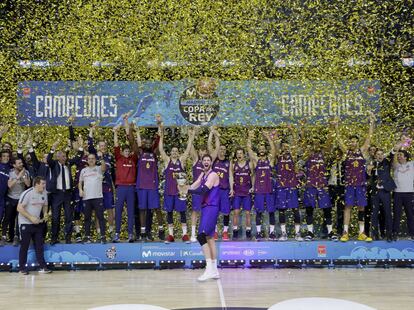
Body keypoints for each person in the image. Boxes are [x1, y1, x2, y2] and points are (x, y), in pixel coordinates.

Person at [178, 154, 220, 281]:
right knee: (209, 238)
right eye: (204, 160)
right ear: (202, 162)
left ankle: (208, 270)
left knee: (201, 236)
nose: (206, 162)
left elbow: (203, 191)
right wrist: (183, 188)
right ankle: (215, 270)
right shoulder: (203, 174)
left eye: (208, 160)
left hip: (212, 206)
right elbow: (195, 185)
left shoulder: (213, 175)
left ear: (211, 162)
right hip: (206, 207)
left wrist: (187, 191)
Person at [335, 112, 375, 242]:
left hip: (361, 184)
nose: (352, 143)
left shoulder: (362, 151)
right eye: (350, 141)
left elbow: (369, 137)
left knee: (361, 207)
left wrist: (371, 122)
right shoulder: (347, 152)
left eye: (354, 141)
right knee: (348, 207)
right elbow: (338, 140)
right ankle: (345, 232)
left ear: (357, 142)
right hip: (349, 185)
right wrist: (336, 126)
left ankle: (361, 232)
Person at [158, 122, 195, 243]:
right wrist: (161, 136)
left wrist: (190, 137)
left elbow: (188, 149)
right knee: (169, 213)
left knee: (182, 212)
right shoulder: (167, 160)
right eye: (172, 151)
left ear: (178, 152)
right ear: (170, 153)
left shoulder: (181, 161)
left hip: (180, 193)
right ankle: (171, 235)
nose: (174, 152)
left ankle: (185, 235)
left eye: (176, 151)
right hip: (169, 191)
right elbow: (160, 149)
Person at [47, 136, 84, 244]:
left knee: (69, 216)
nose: (64, 158)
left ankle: (68, 238)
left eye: (64, 156)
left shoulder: (68, 163)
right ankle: (54, 238)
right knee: (55, 217)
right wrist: (53, 148)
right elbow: (49, 159)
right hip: (57, 194)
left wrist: (81, 147)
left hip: (68, 194)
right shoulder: (54, 164)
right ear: (57, 157)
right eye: (62, 156)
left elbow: (78, 158)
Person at [17, 176, 52, 275]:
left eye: (45, 184)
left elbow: (45, 205)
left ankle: (43, 267)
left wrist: (45, 214)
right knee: (24, 246)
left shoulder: (44, 193)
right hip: (25, 223)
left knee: (39, 245)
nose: (44, 186)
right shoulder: (27, 193)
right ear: (36, 184)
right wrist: (31, 217)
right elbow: (19, 208)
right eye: (43, 184)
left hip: (37, 224)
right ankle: (22, 268)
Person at [247, 130, 276, 240]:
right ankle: (258, 233)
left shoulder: (270, 160)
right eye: (260, 148)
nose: (262, 149)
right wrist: (250, 137)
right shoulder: (256, 160)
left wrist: (268, 137)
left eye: (263, 148)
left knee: (271, 211)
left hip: (269, 189)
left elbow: (273, 150)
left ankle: (272, 233)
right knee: (259, 212)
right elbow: (249, 149)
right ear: (258, 150)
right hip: (259, 190)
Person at [88, 123, 116, 238]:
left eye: (104, 145)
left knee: (110, 209)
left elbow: (113, 173)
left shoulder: (110, 156)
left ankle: (110, 230)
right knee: (98, 211)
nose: (103, 147)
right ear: (98, 147)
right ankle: (99, 233)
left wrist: (115, 186)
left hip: (108, 186)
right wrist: (91, 130)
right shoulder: (94, 155)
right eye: (101, 146)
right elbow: (89, 144)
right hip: (96, 187)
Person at [113, 124, 137, 242]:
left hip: (131, 188)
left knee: (131, 212)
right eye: (125, 151)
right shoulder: (119, 158)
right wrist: (115, 132)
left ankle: (130, 234)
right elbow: (116, 145)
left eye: (128, 151)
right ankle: (116, 234)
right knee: (118, 211)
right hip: (121, 188)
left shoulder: (133, 159)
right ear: (122, 152)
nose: (127, 152)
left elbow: (134, 145)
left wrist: (132, 132)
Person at [367, 148, 395, 241]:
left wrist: (396, 147)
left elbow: (392, 154)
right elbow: (368, 177)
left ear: (383, 155)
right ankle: (375, 235)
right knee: (374, 214)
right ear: (375, 156)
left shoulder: (386, 162)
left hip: (385, 191)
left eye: (381, 154)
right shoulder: (372, 164)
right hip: (375, 192)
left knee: (387, 213)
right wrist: (368, 170)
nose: (380, 156)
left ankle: (389, 235)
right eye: (378, 154)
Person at [209, 127, 231, 241]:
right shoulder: (214, 160)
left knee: (226, 212)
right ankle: (216, 232)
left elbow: (231, 175)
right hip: (215, 190)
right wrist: (213, 134)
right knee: (215, 212)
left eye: (224, 149)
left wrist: (231, 188)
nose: (222, 151)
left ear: (225, 151)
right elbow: (210, 146)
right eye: (220, 149)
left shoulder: (228, 162)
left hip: (224, 190)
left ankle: (226, 232)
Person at [4, 158, 31, 246]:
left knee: (18, 219)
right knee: (8, 217)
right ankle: (4, 236)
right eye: (19, 163)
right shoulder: (10, 172)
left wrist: (23, 176)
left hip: (20, 199)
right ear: (14, 165)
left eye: (21, 163)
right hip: (10, 198)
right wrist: (18, 176)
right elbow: (10, 185)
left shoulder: (26, 172)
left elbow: (28, 184)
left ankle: (16, 236)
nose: (21, 164)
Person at [391, 141, 414, 240]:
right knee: (397, 215)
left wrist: (407, 141)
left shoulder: (412, 164)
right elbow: (393, 158)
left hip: (409, 193)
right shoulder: (396, 166)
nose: (399, 156)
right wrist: (397, 148)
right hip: (397, 194)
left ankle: (412, 234)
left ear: (406, 157)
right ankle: (394, 234)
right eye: (398, 155)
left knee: (410, 215)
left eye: (401, 155)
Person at [230, 147, 253, 240]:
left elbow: (253, 175)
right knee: (236, 212)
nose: (239, 155)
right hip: (237, 192)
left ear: (244, 154)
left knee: (248, 213)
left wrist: (253, 186)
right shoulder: (233, 165)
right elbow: (231, 176)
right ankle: (235, 231)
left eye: (241, 153)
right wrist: (231, 189)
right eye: (238, 153)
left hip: (246, 192)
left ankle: (248, 231)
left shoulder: (249, 164)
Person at [189, 144, 208, 242]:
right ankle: (193, 234)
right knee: (195, 212)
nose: (202, 153)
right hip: (196, 191)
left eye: (204, 151)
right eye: (200, 151)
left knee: (205, 212)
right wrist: (191, 136)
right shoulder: (196, 160)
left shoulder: (208, 163)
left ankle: (203, 233)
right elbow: (191, 148)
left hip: (205, 191)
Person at [0, 150, 11, 245]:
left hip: (3, 198)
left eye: (7, 156)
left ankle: (3, 237)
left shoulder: (10, 168)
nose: (6, 158)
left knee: (2, 217)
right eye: (4, 156)